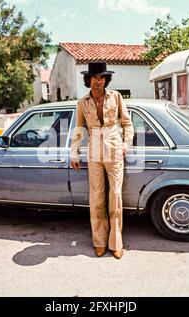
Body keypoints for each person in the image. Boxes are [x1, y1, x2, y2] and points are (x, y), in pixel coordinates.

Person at [70, 62, 134, 259]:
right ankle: (99, 241)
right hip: (94, 153)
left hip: (115, 151)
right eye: (94, 78)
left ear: (106, 79)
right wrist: (74, 153)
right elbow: (79, 129)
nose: (98, 81)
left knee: (115, 197)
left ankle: (116, 243)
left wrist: (126, 144)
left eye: (101, 77)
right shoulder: (82, 102)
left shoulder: (116, 97)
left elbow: (127, 123)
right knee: (96, 199)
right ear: (88, 80)